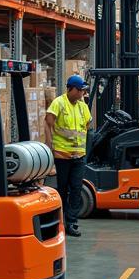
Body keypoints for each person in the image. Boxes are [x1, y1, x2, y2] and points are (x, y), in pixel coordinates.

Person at [46, 75, 92, 238]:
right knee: (63, 188)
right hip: (62, 155)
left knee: (76, 188)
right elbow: (48, 123)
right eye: (79, 90)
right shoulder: (59, 103)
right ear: (70, 88)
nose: (81, 93)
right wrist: (50, 147)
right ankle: (60, 221)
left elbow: (87, 125)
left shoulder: (83, 106)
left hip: (78, 156)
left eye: (83, 91)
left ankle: (71, 222)